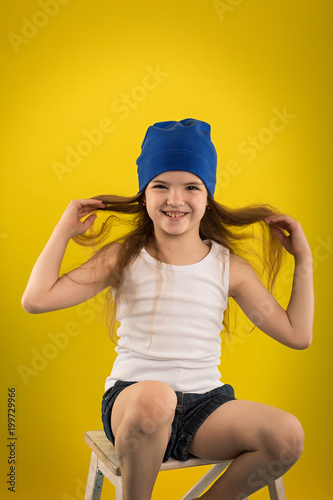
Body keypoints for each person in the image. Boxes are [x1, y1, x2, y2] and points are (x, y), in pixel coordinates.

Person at [21, 118, 314, 500]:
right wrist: (64, 229)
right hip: (134, 404)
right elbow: (36, 299)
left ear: (207, 196)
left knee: (288, 435)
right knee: (156, 397)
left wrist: (304, 261)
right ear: (145, 195)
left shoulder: (229, 268)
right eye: (161, 186)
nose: (175, 199)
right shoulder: (123, 257)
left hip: (206, 406)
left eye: (191, 187)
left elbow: (297, 335)